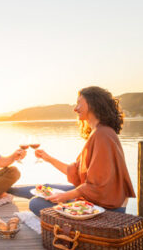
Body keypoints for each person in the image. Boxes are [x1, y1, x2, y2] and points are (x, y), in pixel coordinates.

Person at [9, 86, 136, 215]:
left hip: (104, 207)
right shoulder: (99, 132)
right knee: (43, 188)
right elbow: (74, 172)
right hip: (95, 197)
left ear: (93, 104)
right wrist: (48, 158)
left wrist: (65, 196)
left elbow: (98, 185)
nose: (75, 109)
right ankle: (6, 191)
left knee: (36, 203)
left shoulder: (102, 135)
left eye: (79, 103)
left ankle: (74, 224)